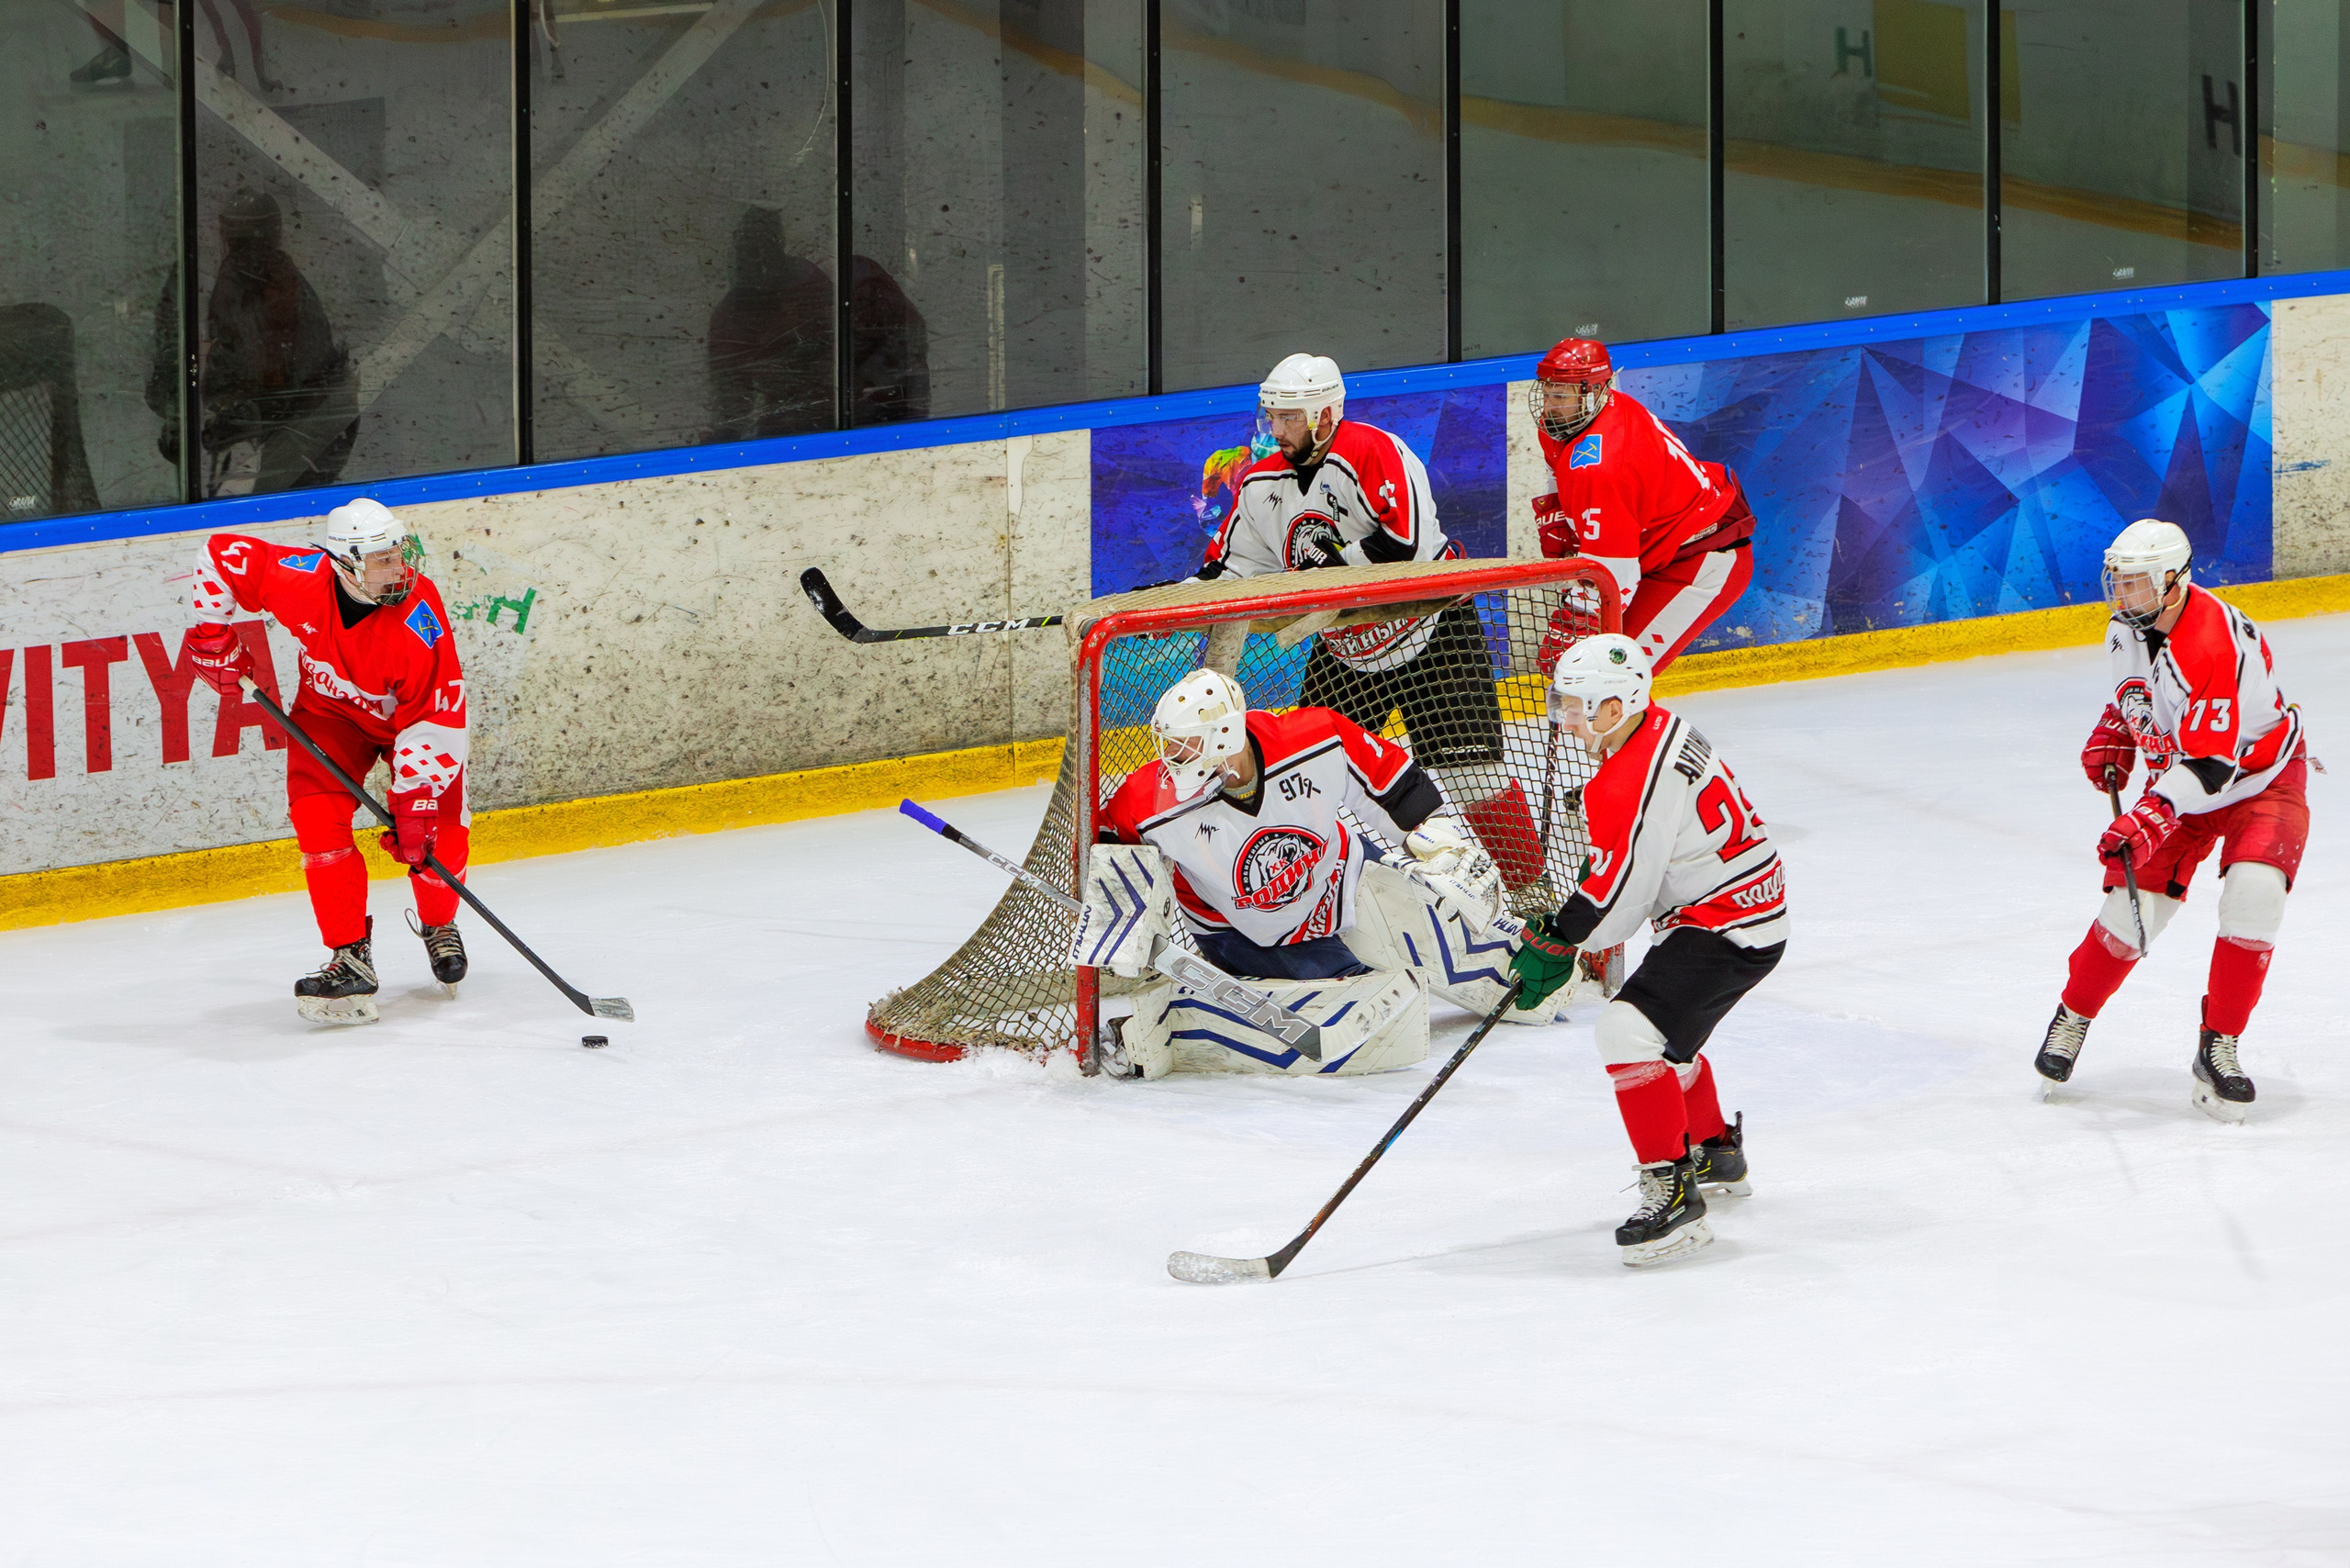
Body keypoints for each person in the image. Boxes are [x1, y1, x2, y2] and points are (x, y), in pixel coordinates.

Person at [1081, 668, 1568, 1080]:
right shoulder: (1147, 800)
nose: (1173, 758)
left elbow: (1394, 784)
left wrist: (1436, 839)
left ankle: (1555, 975)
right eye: (1170, 744)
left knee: (1519, 973)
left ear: (1225, 737)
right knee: (1380, 1024)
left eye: (1187, 747)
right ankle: (1173, 1024)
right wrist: (1122, 917)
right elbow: (1112, 852)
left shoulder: (1314, 737)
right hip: (1247, 930)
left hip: (1341, 878)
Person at [1195, 352, 1553, 896]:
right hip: (1346, 654)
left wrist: (1316, 579)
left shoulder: (1373, 451)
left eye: (1290, 417)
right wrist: (1174, 601)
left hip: (1435, 636)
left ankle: (1532, 892)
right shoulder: (1260, 485)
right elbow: (1232, 568)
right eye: (1272, 417)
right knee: (1304, 777)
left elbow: (1400, 546)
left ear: (1324, 413)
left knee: (1472, 778)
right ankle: (1299, 898)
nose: (1277, 430)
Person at [1508, 634, 1788, 1267]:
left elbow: (1623, 897)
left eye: (1580, 706)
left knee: (1628, 1036)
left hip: (1727, 927)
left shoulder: (1630, 776)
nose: (1568, 718)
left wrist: (1562, 940)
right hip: (1746, 909)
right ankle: (1714, 1147)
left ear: (1617, 705)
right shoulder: (1661, 726)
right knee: (1667, 1038)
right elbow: (1631, 865)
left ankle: (1674, 1194)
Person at [2031, 520, 2310, 1123]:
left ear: (2174, 582)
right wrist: (2117, 727)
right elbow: (2144, 691)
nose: (2121, 596)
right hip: (2183, 784)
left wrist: (2150, 815)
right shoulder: (2128, 627)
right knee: (2128, 919)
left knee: (2255, 897)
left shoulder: (2211, 641)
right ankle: (2073, 1016)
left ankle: (2220, 1045)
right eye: (2119, 583)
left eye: (2135, 585)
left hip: (2259, 780)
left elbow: (2212, 762)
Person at [179, 498, 471, 1025]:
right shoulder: (298, 579)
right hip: (329, 716)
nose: (398, 568)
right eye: (382, 559)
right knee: (317, 822)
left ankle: (439, 924)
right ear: (344, 564)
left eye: (399, 554)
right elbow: (222, 555)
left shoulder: (418, 621)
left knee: (437, 839)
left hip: (414, 726)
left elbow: (438, 714)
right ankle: (350, 957)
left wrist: (415, 799)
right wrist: (210, 636)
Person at [1529, 337, 1758, 673]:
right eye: (1546, 393)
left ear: (1594, 392)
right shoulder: (1568, 422)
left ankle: (1655, 728)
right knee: (1588, 672)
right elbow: (1559, 473)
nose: (1548, 406)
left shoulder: (1607, 465)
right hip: (1655, 550)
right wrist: (1564, 521)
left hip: (1700, 561)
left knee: (1606, 675)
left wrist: (1574, 627)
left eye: (1560, 396)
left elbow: (1611, 578)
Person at [196, 192, 359, 495]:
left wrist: (225, 405)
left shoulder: (246, 282)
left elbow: (259, 363)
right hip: (313, 415)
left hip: (301, 421)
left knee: (273, 506)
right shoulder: (280, 273)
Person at [705, 207, 834, 442]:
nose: (760, 259)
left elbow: (837, 353)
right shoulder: (730, 317)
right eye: (750, 249)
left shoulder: (809, 286)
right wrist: (726, 436)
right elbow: (731, 396)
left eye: (767, 245)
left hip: (831, 421)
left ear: (780, 244)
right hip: (778, 430)